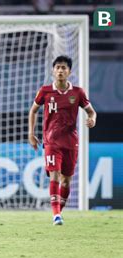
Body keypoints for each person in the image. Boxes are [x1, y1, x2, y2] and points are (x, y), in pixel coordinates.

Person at [28, 55, 97, 226]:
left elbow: (91, 112)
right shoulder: (45, 91)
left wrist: (92, 119)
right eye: (57, 67)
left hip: (70, 142)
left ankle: (59, 212)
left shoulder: (78, 93)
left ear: (69, 71)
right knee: (54, 175)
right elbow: (33, 111)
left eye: (63, 68)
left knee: (66, 180)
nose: (60, 70)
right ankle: (56, 215)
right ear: (53, 70)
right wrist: (31, 133)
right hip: (51, 141)